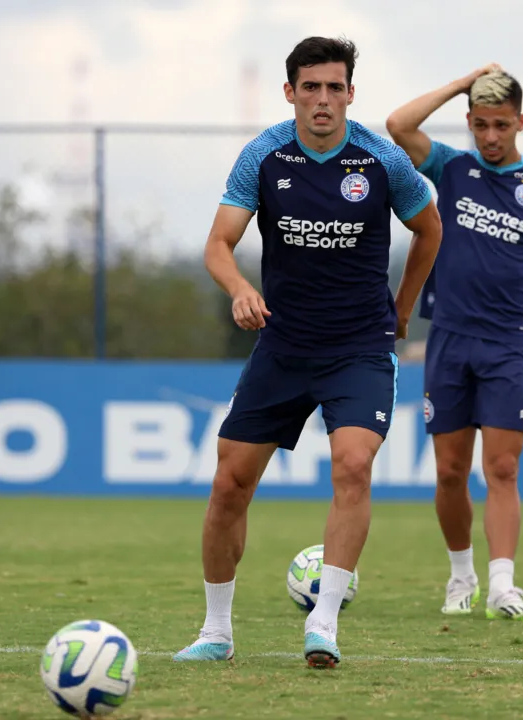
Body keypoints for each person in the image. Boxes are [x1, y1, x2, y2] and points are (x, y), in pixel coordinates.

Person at [173, 36, 442, 668]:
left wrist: (403, 310)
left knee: (352, 465)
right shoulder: (264, 155)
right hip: (284, 345)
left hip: (359, 347)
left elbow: (428, 229)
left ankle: (324, 623)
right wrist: (239, 287)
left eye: (335, 87)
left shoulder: (383, 160)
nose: (323, 99)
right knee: (228, 484)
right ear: (290, 92)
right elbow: (218, 244)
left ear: (351, 93)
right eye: (311, 87)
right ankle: (217, 631)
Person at [387, 66, 523, 620]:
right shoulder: (451, 166)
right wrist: (461, 81)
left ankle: (502, 586)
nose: (491, 137)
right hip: (448, 338)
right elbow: (399, 124)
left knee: (504, 470)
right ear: (468, 121)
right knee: (448, 471)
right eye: (482, 125)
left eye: (502, 125)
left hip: (511, 344)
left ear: (521, 122)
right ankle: (461, 574)